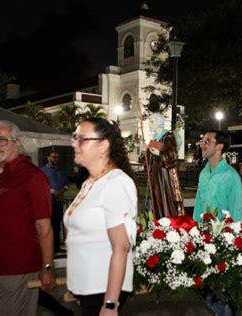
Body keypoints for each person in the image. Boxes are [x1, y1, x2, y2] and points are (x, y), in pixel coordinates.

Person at [0, 120, 55, 315]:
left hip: (18, 268)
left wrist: (47, 267)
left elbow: (44, 227)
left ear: (17, 142)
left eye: (2, 140)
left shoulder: (32, 176)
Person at [64, 118, 137, 315]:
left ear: (103, 146)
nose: (74, 144)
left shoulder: (116, 183)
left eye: (82, 139)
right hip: (87, 289)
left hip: (103, 290)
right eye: (74, 138)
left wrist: (111, 303)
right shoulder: (90, 182)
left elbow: (121, 247)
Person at [193, 130, 242, 222]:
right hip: (204, 232)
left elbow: (236, 210)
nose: (202, 145)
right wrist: (194, 227)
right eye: (202, 142)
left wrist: (233, 233)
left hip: (223, 232)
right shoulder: (203, 173)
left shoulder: (231, 175)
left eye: (207, 141)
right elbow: (198, 205)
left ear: (220, 146)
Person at [146, 113, 184, 218]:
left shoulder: (168, 136)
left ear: (159, 123)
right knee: (157, 198)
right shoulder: (154, 139)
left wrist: (159, 153)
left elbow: (172, 155)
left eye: (152, 121)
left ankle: (169, 221)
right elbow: (148, 157)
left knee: (167, 198)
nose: (149, 124)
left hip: (166, 175)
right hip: (156, 173)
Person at [41, 149, 69, 254]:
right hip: (48, 203)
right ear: (48, 158)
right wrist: (53, 192)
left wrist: (61, 191)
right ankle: (48, 249)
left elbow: (66, 184)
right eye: (53, 157)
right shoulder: (43, 171)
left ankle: (56, 247)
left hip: (58, 202)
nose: (55, 159)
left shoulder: (61, 171)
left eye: (57, 157)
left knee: (57, 226)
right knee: (49, 226)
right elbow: (42, 185)